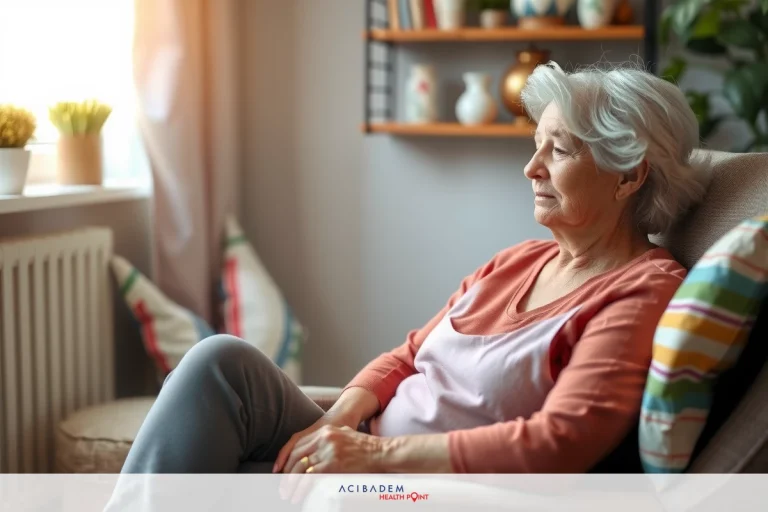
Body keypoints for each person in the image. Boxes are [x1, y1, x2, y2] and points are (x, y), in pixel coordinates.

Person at [121, 62, 706, 474]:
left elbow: (559, 444)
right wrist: (339, 422)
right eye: (535, 144)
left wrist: (371, 460)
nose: (531, 168)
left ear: (630, 176)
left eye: (560, 149)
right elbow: (406, 357)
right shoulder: (517, 262)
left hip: (418, 489)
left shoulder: (643, 289)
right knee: (221, 364)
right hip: (362, 458)